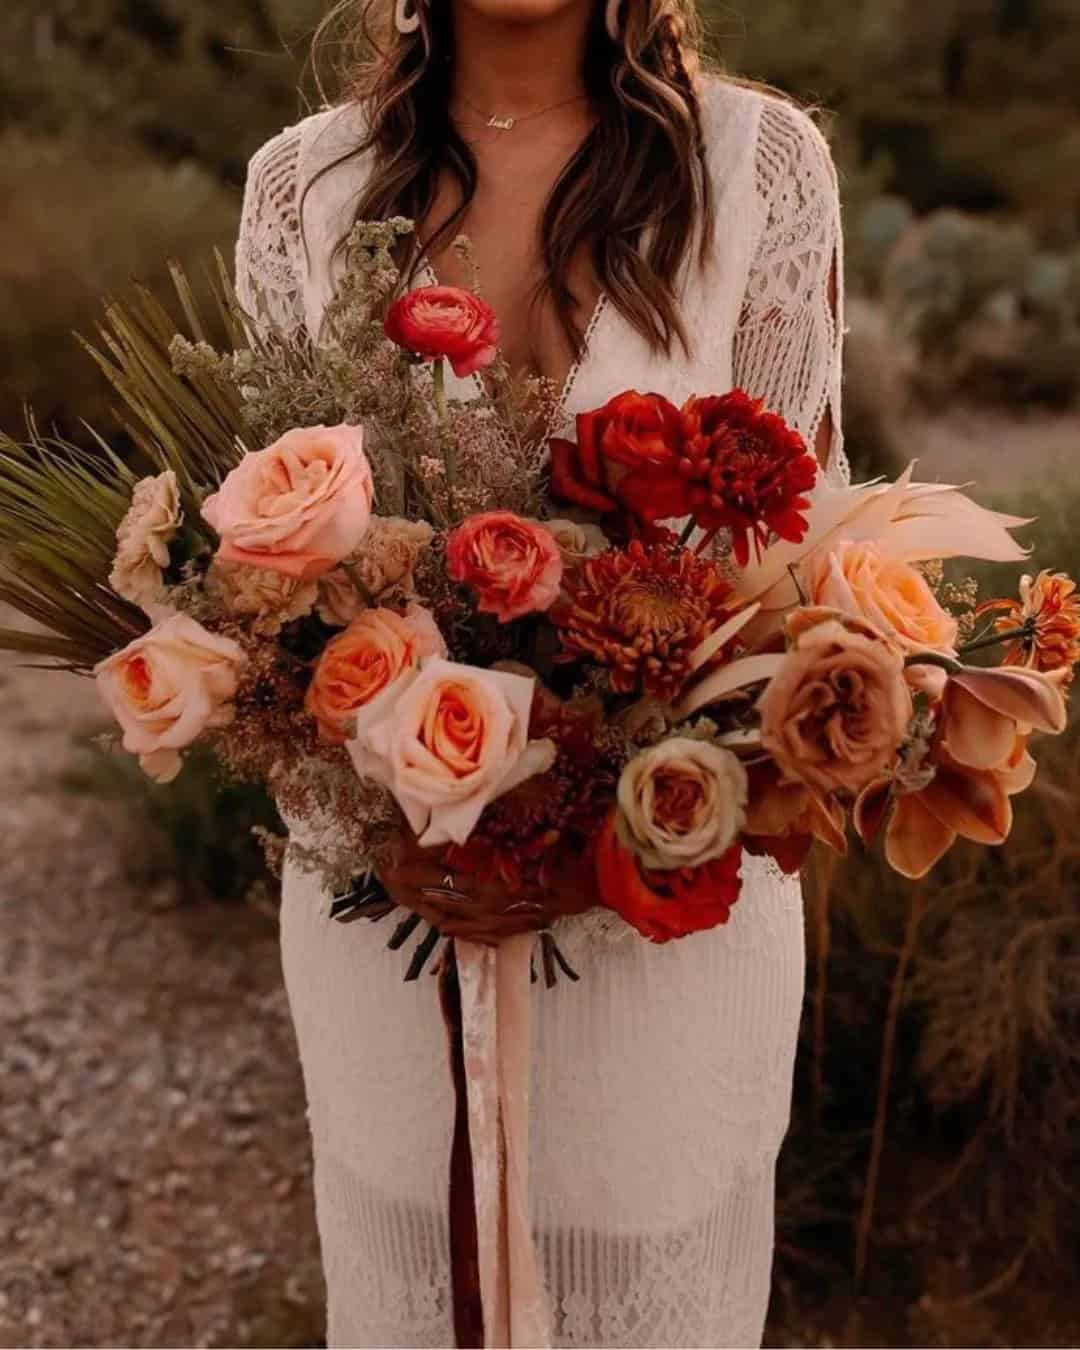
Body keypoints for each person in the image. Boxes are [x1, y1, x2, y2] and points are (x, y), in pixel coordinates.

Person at [233, 1, 847, 1344]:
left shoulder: (759, 170)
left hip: (665, 908)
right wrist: (394, 829)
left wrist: (602, 845)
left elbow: (802, 582)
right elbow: (272, 586)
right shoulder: (306, 189)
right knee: (411, 1288)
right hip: (394, 911)